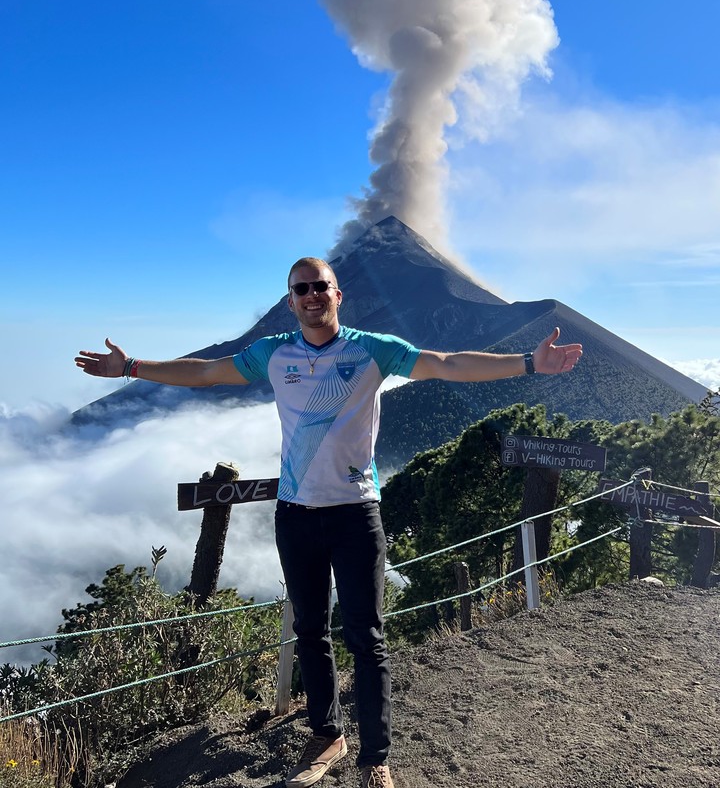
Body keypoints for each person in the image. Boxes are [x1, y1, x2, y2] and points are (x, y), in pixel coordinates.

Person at [76, 256, 582, 788]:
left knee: (366, 637)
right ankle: (327, 735)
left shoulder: (372, 349)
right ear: (290, 300)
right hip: (295, 514)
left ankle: (375, 759)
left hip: (355, 513)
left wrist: (529, 362)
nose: (312, 295)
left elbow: (448, 363)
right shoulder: (273, 353)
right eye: (302, 289)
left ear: (339, 295)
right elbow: (205, 373)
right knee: (310, 630)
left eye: (322, 286)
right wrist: (131, 367)